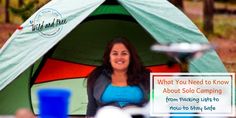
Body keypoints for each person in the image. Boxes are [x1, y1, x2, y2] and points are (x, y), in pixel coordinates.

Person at [86, 37, 150, 117]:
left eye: (124, 53)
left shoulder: (146, 77)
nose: (119, 57)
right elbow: (91, 107)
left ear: (130, 57)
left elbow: (154, 107)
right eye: (115, 53)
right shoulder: (96, 76)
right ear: (109, 57)